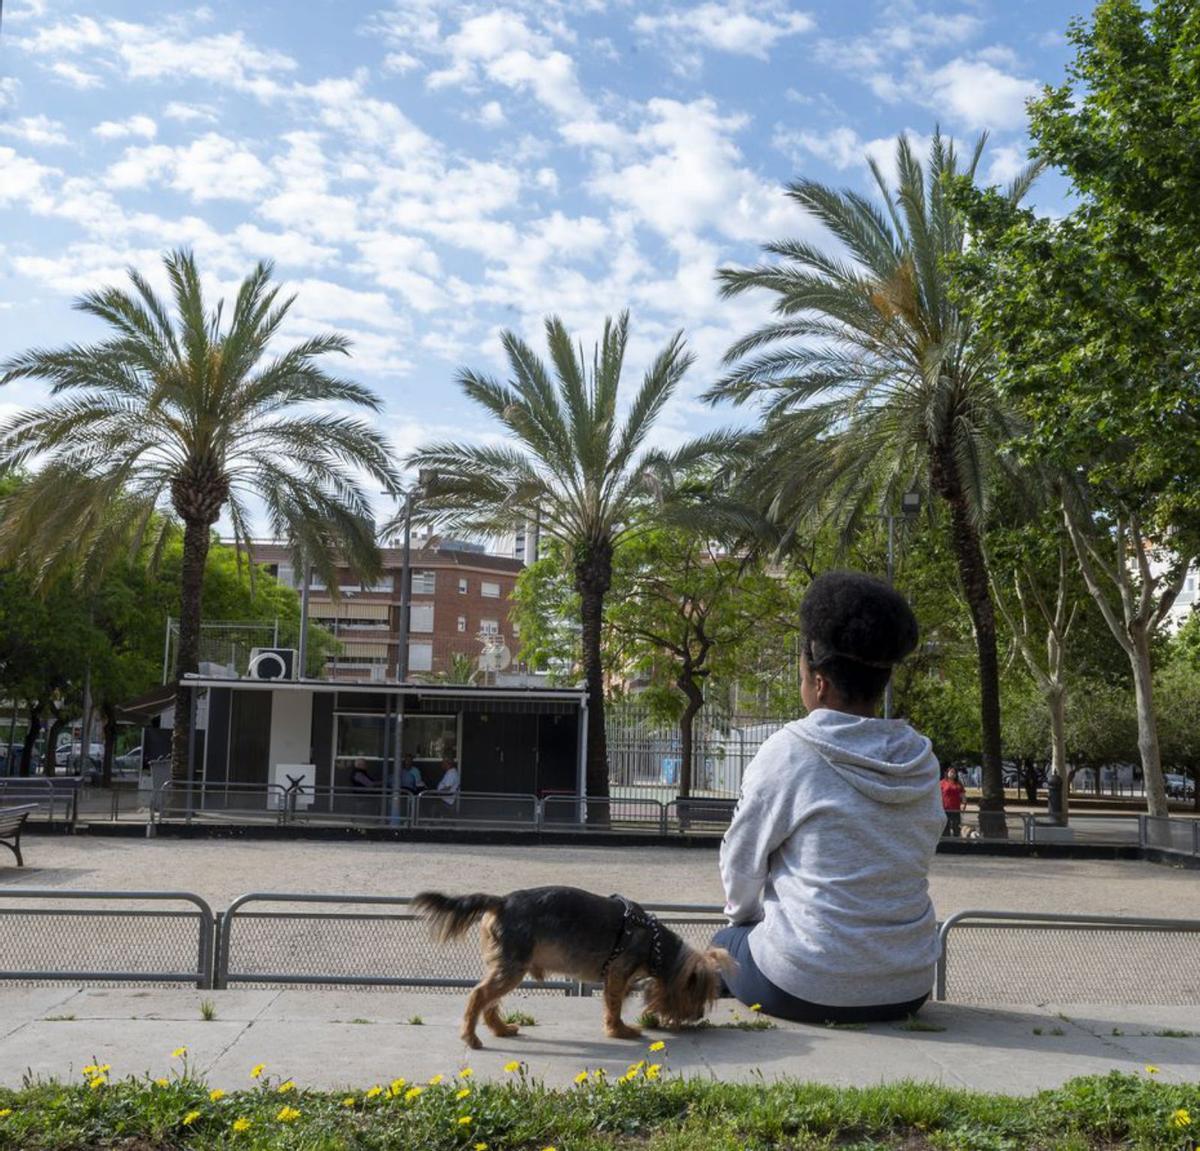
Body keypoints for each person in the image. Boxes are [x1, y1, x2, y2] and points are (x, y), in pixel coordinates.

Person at [714, 570, 944, 1025]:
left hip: (803, 981)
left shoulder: (791, 750)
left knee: (725, 945)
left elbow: (741, 865)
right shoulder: (921, 758)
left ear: (819, 682)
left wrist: (746, 917)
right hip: (910, 983)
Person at [941, 767, 966, 837]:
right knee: (945, 827)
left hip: (956, 809)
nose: (953, 774)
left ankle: (956, 843)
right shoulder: (942, 783)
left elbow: (963, 795)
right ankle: (946, 843)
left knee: (956, 827)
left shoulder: (958, 784)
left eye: (954, 772)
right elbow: (937, 795)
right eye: (951, 772)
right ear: (947, 773)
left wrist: (964, 804)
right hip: (945, 809)